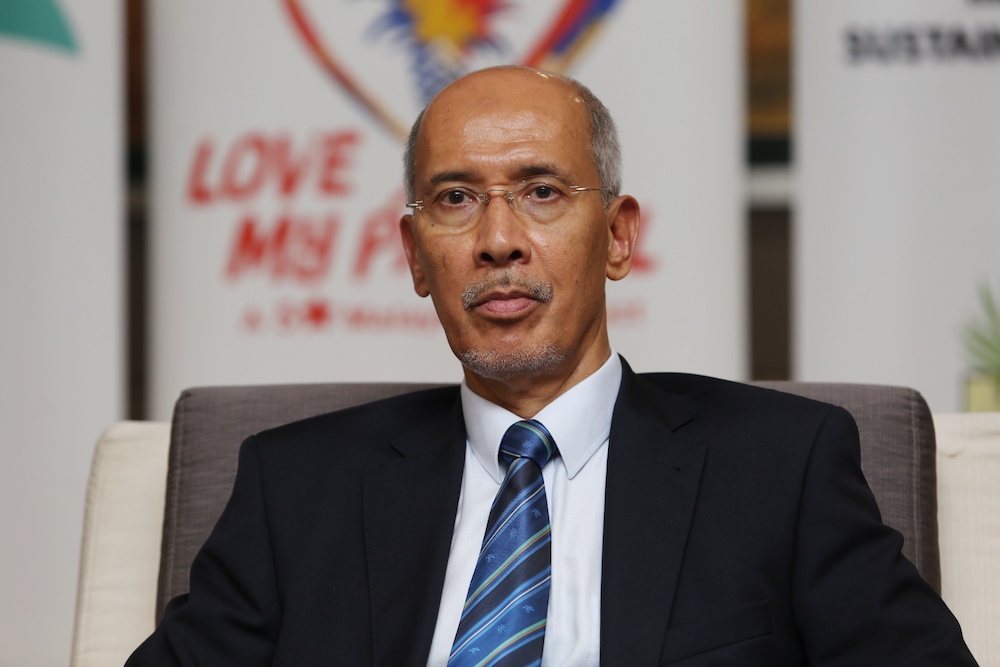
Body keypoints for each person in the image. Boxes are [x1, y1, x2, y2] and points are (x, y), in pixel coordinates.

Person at [127, 66, 977, 666]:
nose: (498, 240)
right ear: (417, 257)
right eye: (456, 199)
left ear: (616, 235)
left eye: (541, 190)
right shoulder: (296, 487)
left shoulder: (779, 465)